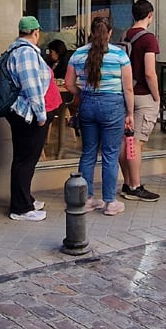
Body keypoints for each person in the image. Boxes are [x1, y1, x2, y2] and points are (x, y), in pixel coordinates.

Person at [65, 16, 134, 216]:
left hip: (88, 105)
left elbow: (69, 84)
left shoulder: (78, 54)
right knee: (110, 155)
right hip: (113, 106)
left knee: (88, 153)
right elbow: (128, 89)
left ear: (91, 32)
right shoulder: (119, 55)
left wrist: (83, 94)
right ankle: (110, 202)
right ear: (110, 32)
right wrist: (129, 113)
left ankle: (85, 199)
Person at [4, 16, 55, 222]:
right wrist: (41, 115)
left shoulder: (18, 50)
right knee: (25, 160)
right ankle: (21, 207)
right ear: (35, 32)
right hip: (27, 115)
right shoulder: (26, 52)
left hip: (24, 113)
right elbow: (32, 86)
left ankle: (25, 199)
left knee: (25, 159)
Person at [118, 0, 161, 202]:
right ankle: (135, 186)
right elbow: (150, 72)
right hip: (143, 95)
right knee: (136, 143)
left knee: (124, 141)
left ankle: (127, 183)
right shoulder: (149, 39)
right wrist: (157, 95)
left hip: (126, 94)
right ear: (150, 15)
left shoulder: (124, 35)